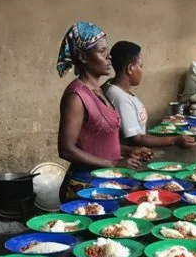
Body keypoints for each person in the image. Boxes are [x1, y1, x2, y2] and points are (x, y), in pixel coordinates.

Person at [56, 23, 152, 201]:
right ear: (83, 57)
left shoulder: (100, 91)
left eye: (107, 50)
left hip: (105, 181)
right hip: (84, 187)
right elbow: (66, 149)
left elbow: (97, 143)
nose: (109, 57)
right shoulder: (76, 96)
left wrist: (127, 151)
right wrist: (113, 163)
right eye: (102, 52)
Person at [104, 41, 196, 149]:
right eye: (141, 66)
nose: (142, 71)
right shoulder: (119, 97)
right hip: (131, 158)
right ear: (130, 68)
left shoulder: (121, 90)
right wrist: (174, 140)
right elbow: (136, 139)